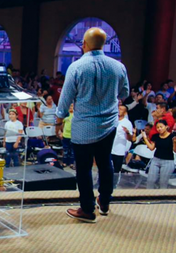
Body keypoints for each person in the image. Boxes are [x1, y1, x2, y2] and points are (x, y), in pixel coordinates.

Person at [55, 27, 129, 223]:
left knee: (84, 168)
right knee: (106, 163)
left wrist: (59, 120)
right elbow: (124, 94)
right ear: (103, 44)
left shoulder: (77, 67)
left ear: (84, 45)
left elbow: (65, 98)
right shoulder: (118, 66)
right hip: (108, 125)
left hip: (84, 127)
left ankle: (87, 209)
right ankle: (104, 202)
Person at [142, 120, 176, 189]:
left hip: (168, 161)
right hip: (156, 160)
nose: (159, 129)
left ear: (166, 127)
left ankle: (162, 198)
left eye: (161, 127)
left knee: (163, 182)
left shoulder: (172, 136)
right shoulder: (156, 136)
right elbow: (151, 148)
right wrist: (145, 138)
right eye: (157, 127)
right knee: (150, 180)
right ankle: (148, 197)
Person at [111, 105, 134, 188]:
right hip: (109, 148)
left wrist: (127, 132)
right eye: (118, 108)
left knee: (116, 170)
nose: (119, 110)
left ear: (125, 112)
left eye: (121, 109)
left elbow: (131, 139)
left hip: (119, 150)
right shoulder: (112, 119)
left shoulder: (127, 123)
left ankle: (114, 185)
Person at [60, 104, 75, 169]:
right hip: (65, 135)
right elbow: (62, 124)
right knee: (65, 150)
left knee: (72, 151)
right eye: (70, 106)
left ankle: (71, 163)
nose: (71, 107)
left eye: (72, 106)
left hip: (73, 136)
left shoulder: (75, 115)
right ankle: (64, 162)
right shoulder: (66, 116)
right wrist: (61, 132)